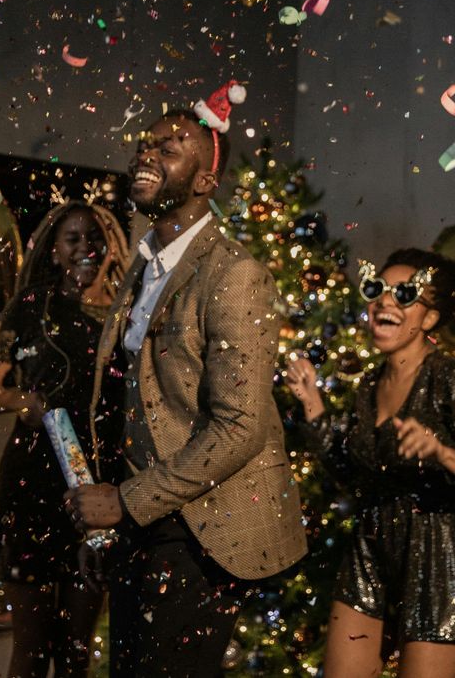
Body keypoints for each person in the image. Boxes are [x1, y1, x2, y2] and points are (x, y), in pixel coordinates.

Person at [65, 82, 306, 677]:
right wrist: (108, 527)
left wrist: (124, 502)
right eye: (145, 145)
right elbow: (125, 404)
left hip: (203, 527)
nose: (147, 155)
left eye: (171, 147)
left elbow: (241, 425)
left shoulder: (235, 274)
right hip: (138, 524)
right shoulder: (143, 267)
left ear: (204, 182)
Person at [286, 248, 455, 678]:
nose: (384, 303)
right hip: (370, 549)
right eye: (377, 291)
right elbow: (353, 477)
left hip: (437, 558)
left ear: (428, 319)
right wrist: (313, 405)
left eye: (404, 295)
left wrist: (442, 453)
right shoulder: (370, 384)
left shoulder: (448, 379)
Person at [0, 201, 129, 678]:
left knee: (76, 651)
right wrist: (27, 404)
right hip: (32, 484)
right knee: (31, 648)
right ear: (55, 250)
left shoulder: (127, 314)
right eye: (73, 239)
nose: (85, 248)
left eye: (94, 239)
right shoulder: (29, 306)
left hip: (97, 490)